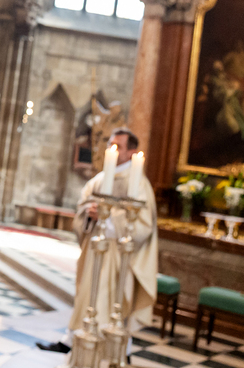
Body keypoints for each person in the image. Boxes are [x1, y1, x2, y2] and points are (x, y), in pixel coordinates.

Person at [38, 128, 158, 353]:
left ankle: (114, 348)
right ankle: (72, 340)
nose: (110, 149)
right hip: (94, 246)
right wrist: (89, 212)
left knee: (109, 299)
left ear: (132, 152)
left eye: (117, 146)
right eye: (110, 144)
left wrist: (108, 218)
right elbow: (83, 205)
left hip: (117, 253)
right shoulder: (100, 179)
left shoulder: (139, 184)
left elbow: (143, 223)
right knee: (86, 293)